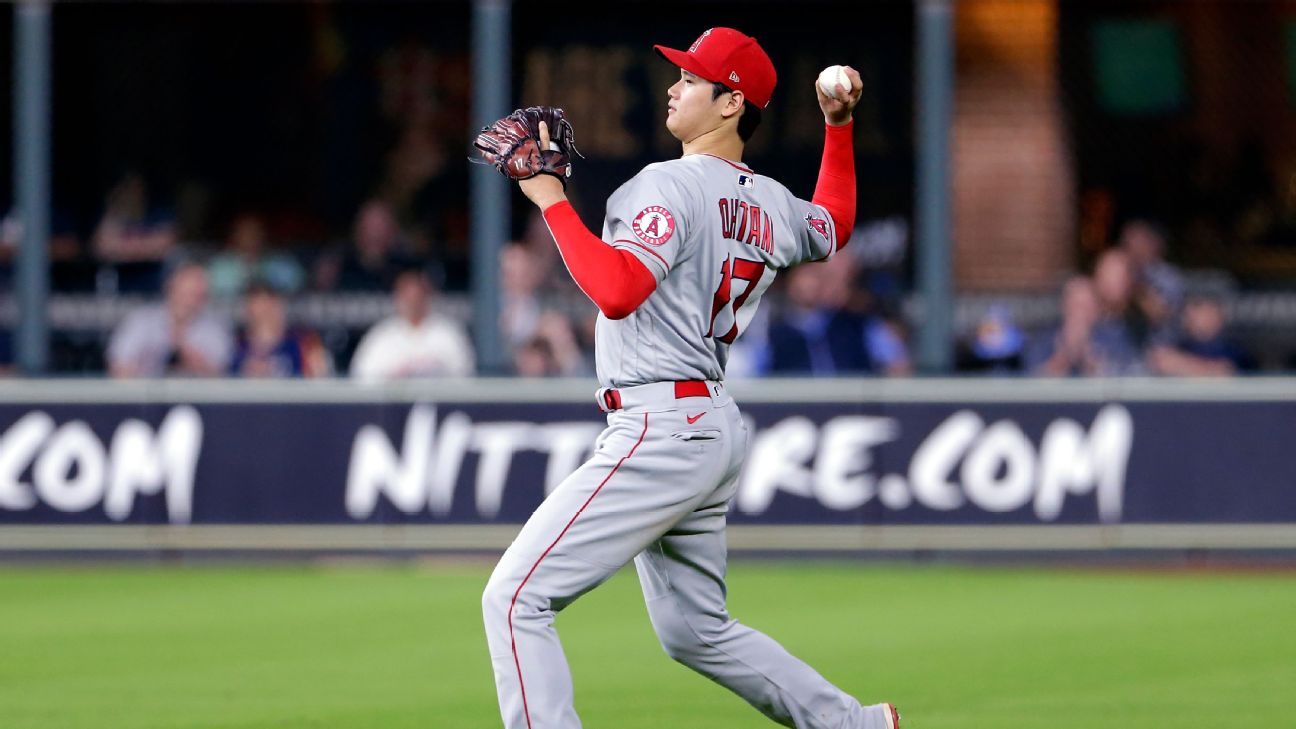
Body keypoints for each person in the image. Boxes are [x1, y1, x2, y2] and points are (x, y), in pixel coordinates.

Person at [480, 28, 899, 729]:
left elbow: (616, 289)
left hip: (660, 424)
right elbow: (835, 222)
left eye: (693, 78)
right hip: (708, 425)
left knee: (516, 596)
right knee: (694, 630)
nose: (674, 86)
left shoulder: (663, 184)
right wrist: (839, 126)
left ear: (731, 102)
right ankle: (850, 723)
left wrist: (550, 197)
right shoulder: (770, 204)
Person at [106, 262, 233, 377]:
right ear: (171, 285)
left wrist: (181, 342)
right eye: (191, 283)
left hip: (199, 398)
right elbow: (119, 365)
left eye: (201, 285)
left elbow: (218, 374)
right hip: (144, 397)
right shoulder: (142, 320)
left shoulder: (215, 327)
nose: (198, 288)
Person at [348, 268, 474, 381]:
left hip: (441, 404)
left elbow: (466, 376)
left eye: (417, 297)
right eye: (407, 298)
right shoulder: (382, 335)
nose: (413, 303)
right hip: (393, 405)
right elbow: (361, 379)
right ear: (397, 299)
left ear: (427, 297)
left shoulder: (448, 332)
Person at [229, 281, 331, 378]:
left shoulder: (301, 343)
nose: (261, 312)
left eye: (267, 305)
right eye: (253, 306)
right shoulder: (238, 348)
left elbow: (319, 379)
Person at [206, 213, 306, 299]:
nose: (250, 236)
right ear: (234, 236)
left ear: (263, 235)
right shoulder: (219, 266)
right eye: (244, 232)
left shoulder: (281, 262)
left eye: (255, 231)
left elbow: (298, 288)